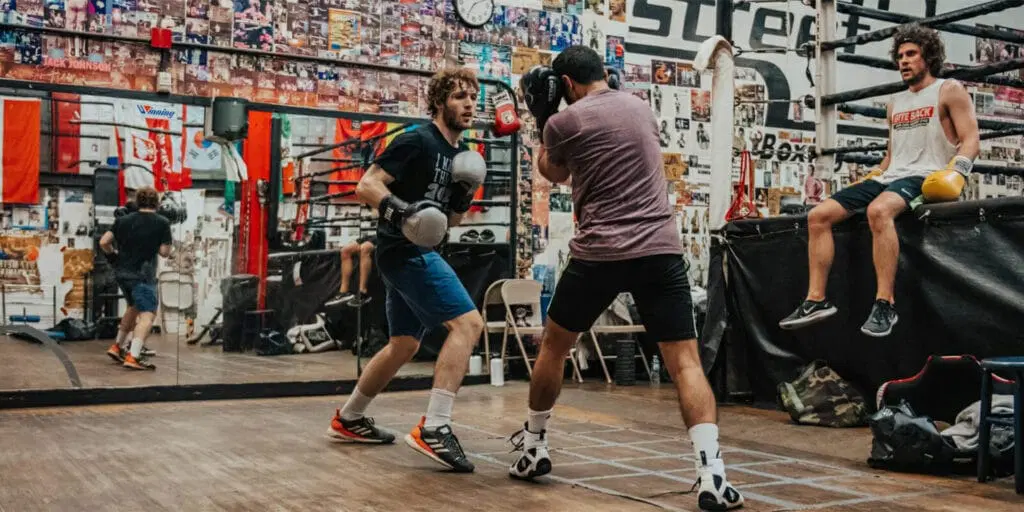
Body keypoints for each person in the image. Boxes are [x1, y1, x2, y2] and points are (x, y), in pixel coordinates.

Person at [511, 45, 744, 511]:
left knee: (554, 346)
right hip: (660, 249)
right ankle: (712, 476)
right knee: (686, 364)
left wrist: (542, 117)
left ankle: (534, 445)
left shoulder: (563, 123)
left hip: (599, 252)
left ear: (567, 85)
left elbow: (552, 173)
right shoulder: (640, 106)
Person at [325, 68, 487, 474]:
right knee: (468, 325)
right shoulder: (416, 139)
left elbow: (448, 223)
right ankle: (435, 427)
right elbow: (367, 185)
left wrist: (463, 197)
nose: (469, 104)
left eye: (473, 97)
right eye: (458, 97)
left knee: (404, 345)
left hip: (417, 250)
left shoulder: (459, 154)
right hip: (404, 251)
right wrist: (402, 211)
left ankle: (350, 417)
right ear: (438, 102)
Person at [779, 24, 979, 337]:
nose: (904, 61)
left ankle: (885, 303)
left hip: (924, 175)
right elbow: (892, 153)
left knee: (878, 211)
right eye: (900, 55)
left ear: (928, 56)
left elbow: (971, 139)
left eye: (911, 54)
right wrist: (874, 175)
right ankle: (816, 300)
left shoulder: (948, 89)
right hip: (891, 174)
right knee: (818, 215)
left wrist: (957, 172)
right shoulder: (895, 103)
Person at [100, 187, 173, 370]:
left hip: (122, 274)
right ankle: (133, 356)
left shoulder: (122, 221)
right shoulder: (162, 222)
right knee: (147, 315)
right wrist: (154, 243)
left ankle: (117, 346)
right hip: (143, 275)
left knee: (132, 308)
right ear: (156, 202)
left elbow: (103, 242)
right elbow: (164, 252)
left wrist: (114, 257)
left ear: (138, 202)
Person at [325, 235, 376, 308]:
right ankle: (344, 292)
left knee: (365, 247)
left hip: (385, 233)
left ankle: (363, 293)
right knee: (345, 250)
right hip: (373, 235)